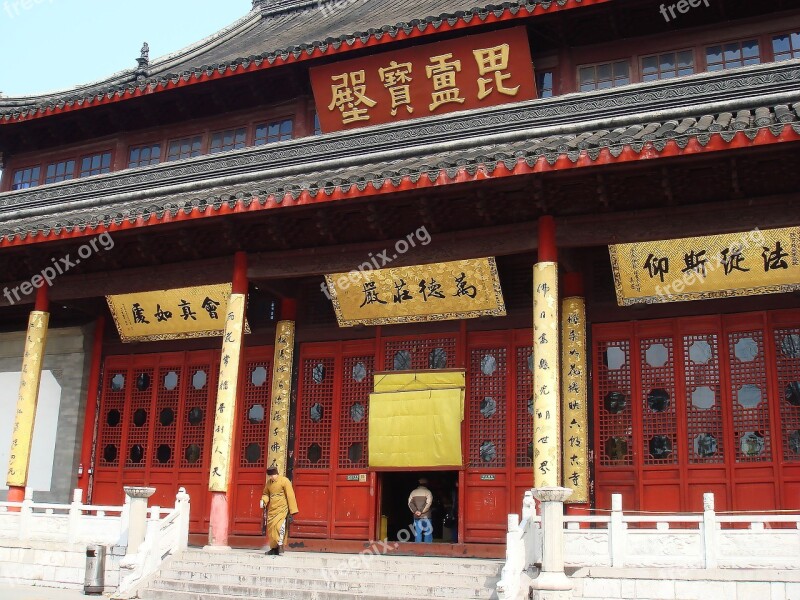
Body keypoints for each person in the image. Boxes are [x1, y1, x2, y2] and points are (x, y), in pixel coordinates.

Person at [260, 466, 299, 555]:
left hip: (282, 508)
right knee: (271, 530)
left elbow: (290, 495)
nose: (271, 477)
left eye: (273, 475)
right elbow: (266, 493)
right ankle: (274, 548)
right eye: (270, 476)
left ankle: (280, 544)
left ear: (277, 473)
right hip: (272, 509)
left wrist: (292, 510)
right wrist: (264, 500)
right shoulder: (269, 483)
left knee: (279, 527)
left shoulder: (284, 481)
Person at [407, 478, 433, 543]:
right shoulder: (428, 492)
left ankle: (418, 547)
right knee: (428, 532)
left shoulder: (413, 492)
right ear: (426, 484)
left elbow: (410, 503)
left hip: (417, 517)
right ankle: (427, 547)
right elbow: (428, 503)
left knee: (418, 532)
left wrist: (416, 511)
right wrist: (421, 511)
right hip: (426, 516)